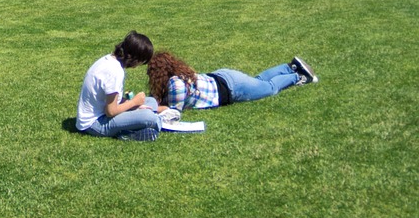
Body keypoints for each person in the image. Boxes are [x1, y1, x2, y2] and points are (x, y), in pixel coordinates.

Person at [146, 48, 317, 109]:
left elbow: (172, 111)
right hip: (224, 77)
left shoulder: (175, 84)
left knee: (270, 88)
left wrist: (150, 107)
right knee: (258, 80)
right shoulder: (178, 77)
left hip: (232, 89)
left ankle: (298, 75)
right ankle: (290, 66)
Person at [75, 31, 163, 141]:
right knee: (150, 118)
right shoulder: (115, 72)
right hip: (95, 124)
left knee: (151, 102)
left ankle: (137, 122)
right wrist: (134, 102)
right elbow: (110, 111)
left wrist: (134, 106)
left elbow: (113, 100)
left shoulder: (108, 60)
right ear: (136, 58)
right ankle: (133, 132)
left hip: (101, 114)